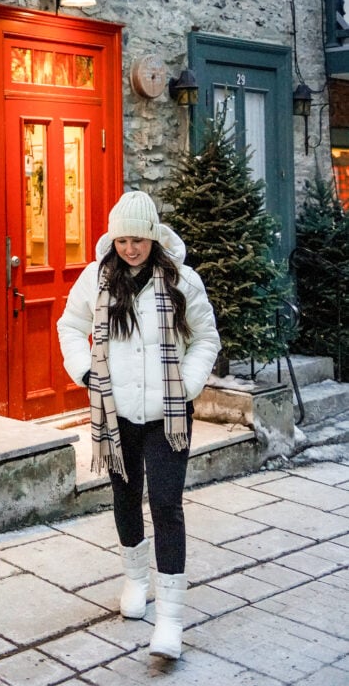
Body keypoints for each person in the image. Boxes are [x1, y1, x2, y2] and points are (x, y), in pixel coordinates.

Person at [57, 190, 220, 659]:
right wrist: (85, 371)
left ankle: (170, 617)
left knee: (167, 506)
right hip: (116, 412)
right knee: (125, 496)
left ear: (154, 238)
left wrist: (186, 387)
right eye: (123, 240)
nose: (131, 249)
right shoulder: (96, 278)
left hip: (168, 415)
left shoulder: (181, 281)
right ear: (113, 239)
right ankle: (134, 580)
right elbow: (70, 325)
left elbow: (205, 338)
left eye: (139, 240)